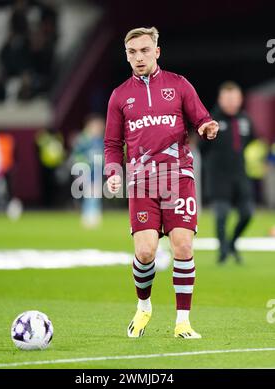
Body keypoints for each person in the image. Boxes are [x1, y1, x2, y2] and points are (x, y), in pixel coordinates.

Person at [104, 27, 219, 339]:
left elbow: (201, 118)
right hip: (141, 181)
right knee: (145, 253)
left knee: (182, 245)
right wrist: (114, 171)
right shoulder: (119, 96)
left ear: (157, 52)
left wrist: (208, 127)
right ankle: (144, 307)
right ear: (126, 56)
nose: (138, 57)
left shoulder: (179, 85)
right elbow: (112, 144)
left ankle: (183, 322)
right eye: (132, 52)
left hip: (178, 175)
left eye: (144, 50)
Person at [202, 81, 255, 264]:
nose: (232, 102)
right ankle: (223, 252)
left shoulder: (245, 120)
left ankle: (232, 243)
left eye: (235, 98)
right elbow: (202, 147)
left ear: (240, 99)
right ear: (220, 99)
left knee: (248, 213)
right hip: (218, 177)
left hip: (239, 175)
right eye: (228, 98)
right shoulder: (211, 120)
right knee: (222, 214)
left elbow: (251, 141)